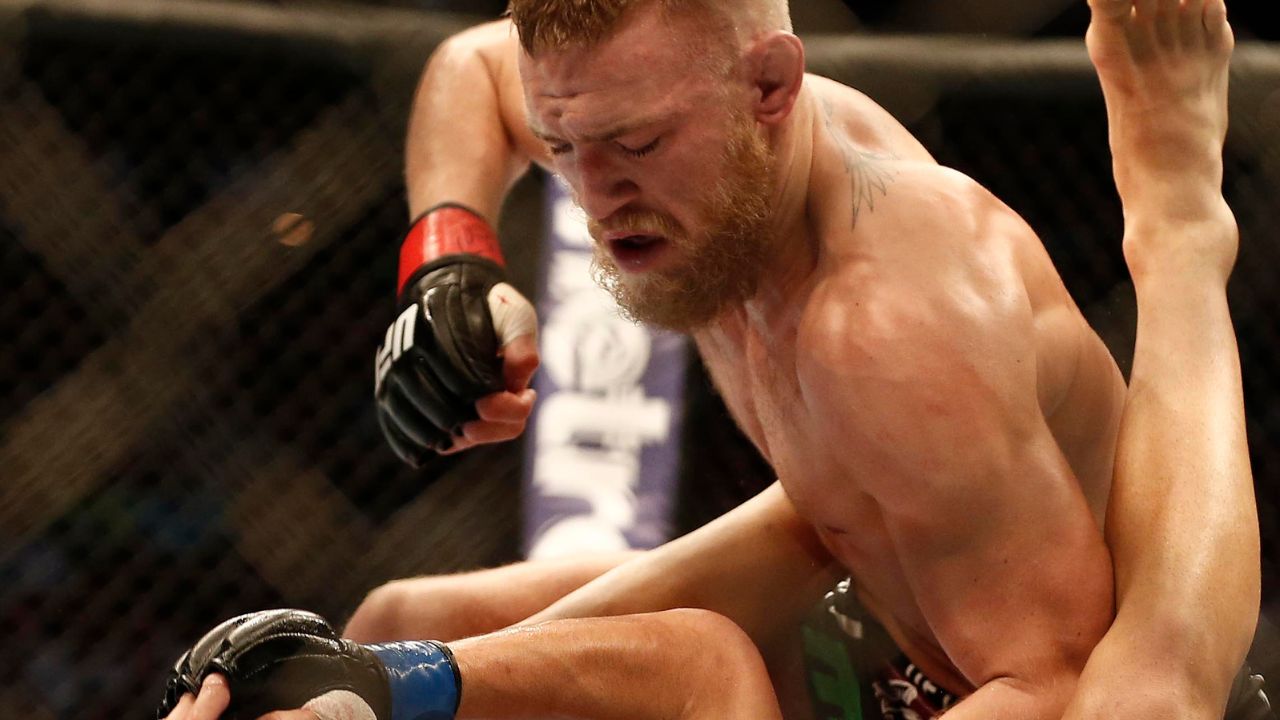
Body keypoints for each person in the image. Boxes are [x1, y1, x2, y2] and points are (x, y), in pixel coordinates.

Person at [159, 0, 1264, 718]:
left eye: (635, 147)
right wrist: (449, 258)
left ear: (770, 90)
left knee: (695, 670)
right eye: (562, 151)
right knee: (404, 624)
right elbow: (470, 70)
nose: (593, 201)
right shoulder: (664, 132)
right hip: (861, 612)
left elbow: (1074, 686)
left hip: (1034, 686)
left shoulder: (885, 324)